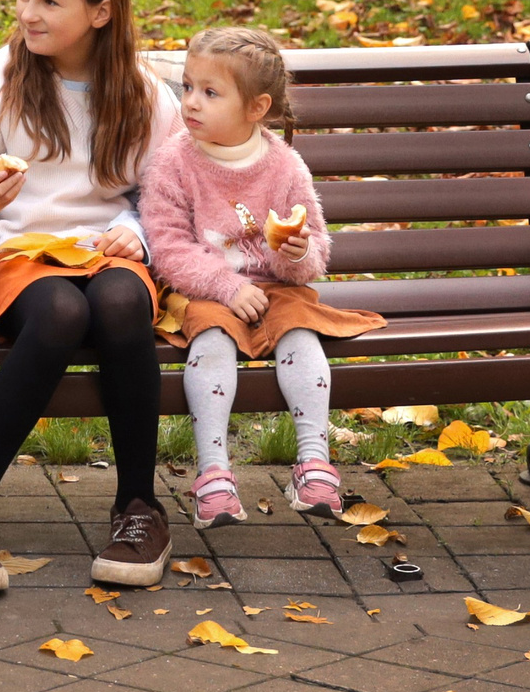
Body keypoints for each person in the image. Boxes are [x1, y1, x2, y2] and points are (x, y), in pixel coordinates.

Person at [0, 0, 182, 593]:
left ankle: (139, 506)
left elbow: (168, 201)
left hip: (104, 254)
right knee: (64, 308)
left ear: (101, 11)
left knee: (122, 299)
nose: (27, 13)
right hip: (9, 259)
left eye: (49, 1)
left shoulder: (147, 96)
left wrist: (141, 234)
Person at [141, 27, 381, 526]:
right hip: (207, 289)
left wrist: (295, 253)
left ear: (256, 107)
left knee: (302, 330)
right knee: (211, 340)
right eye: (187, 87)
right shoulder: (174, 161)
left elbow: (314, 249)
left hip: (277, 288)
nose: (191, 103)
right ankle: (214, 473)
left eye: (210, 93)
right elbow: (168, 247)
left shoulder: (284, 165)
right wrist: (228, 287)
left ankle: (314, 460)